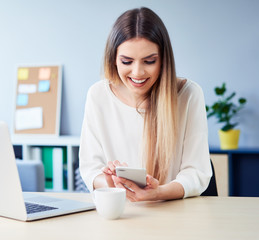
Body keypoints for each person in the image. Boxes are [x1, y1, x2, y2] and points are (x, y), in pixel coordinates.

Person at [79, 7, 212, 201]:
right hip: (121, 210)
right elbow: (90, 168)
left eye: (149, 61)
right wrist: (109, 182)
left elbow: (196, 173)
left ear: (163, 61)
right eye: (127, 61)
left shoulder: (189, 94)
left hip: (173, 212)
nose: (138, 72)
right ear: (114, 59)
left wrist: (157, 193)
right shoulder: (98, 95)